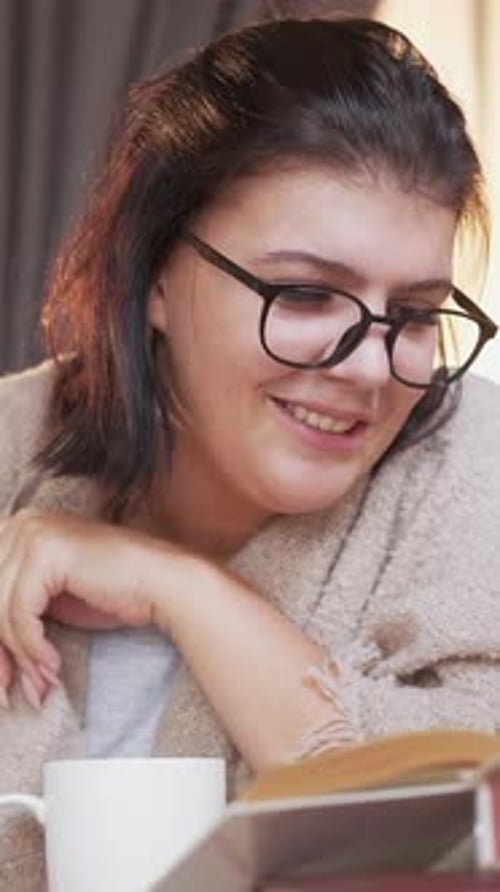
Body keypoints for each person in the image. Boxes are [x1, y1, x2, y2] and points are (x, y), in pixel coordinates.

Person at [0, 13, 499, 887]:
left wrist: (177, 587)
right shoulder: (12, 443)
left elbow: (455, 842)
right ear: (152, 271)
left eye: (416, 315)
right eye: (306, 294)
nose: (373, 366)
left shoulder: (474, 475)